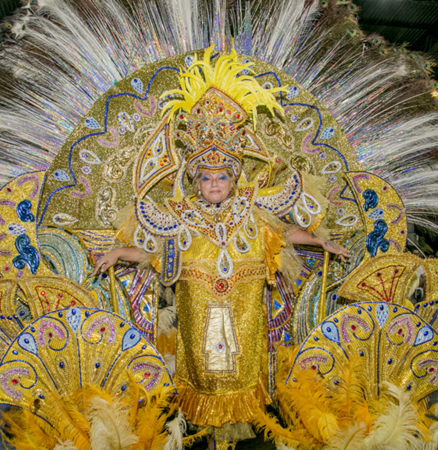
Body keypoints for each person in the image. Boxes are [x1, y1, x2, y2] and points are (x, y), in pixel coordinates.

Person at [93, 96, 350, 442]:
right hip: (197, 319)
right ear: (196, 182)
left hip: (244, 317)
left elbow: (284, 234)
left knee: (240, 375)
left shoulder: (252, 212)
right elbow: (153, 250)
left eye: (222, 177)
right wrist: (117, 254)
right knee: (204, 378)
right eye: (206, 177)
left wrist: (319, 242)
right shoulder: (181, 218)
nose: (214, 184)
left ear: (234, 179)